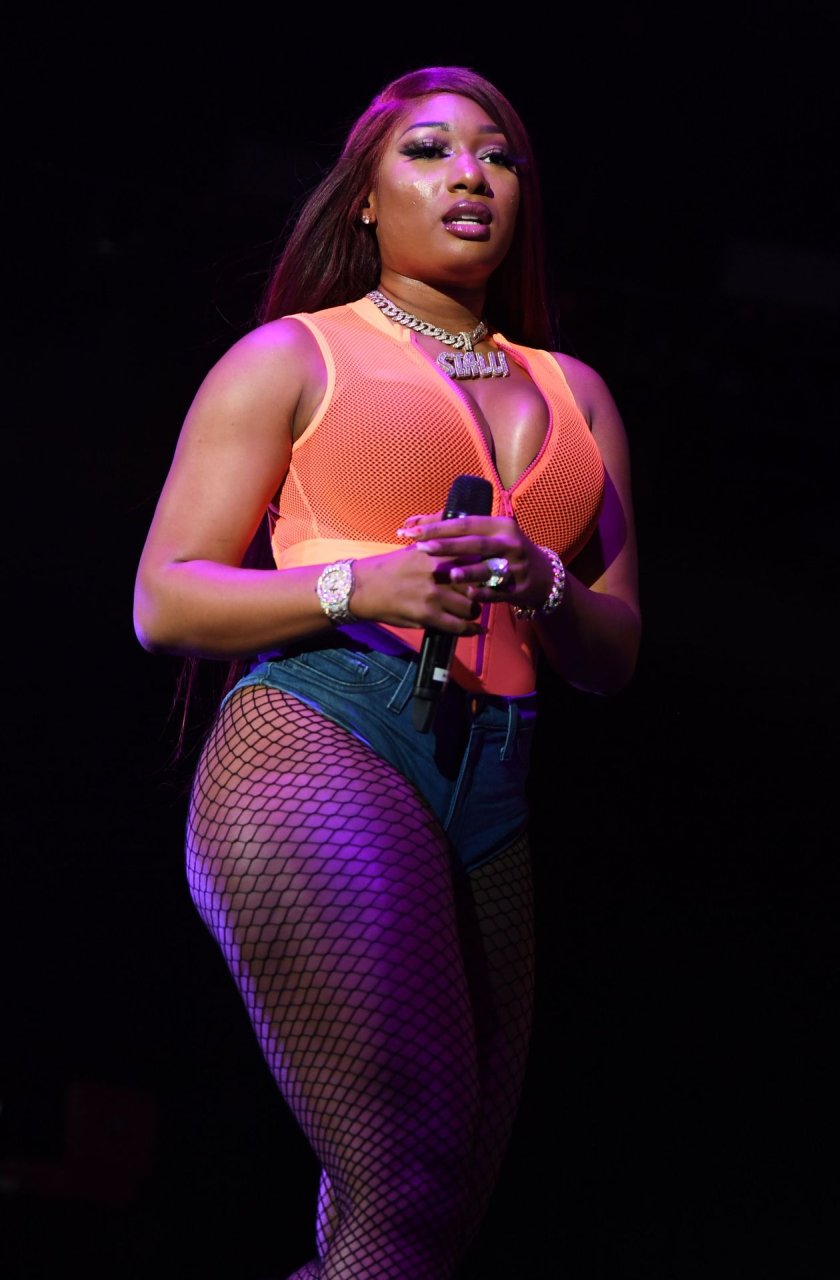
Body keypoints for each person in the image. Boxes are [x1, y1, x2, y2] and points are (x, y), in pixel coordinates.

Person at [133, 64, 641, 1280]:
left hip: (495, 786)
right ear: (362, 197)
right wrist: (360, 584)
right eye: (429, 150)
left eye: (497, 155)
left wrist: (545, 580)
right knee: (404, 1179)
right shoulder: (294, 356)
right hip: (322, 734)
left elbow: (614, 651)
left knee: (424, 1224)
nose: (471, 175)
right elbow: (165, 598)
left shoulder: (576, 393)